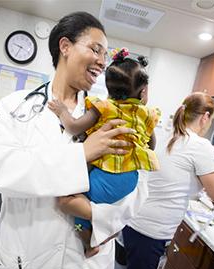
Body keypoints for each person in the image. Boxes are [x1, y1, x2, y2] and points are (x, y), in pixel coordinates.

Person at [0, 12, 148, 269]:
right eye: (95, 49)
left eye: (105, 54)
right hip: (25, 267)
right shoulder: (16, 106)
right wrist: (81, 154)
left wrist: (97, 216)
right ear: (65, 46)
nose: (101, 61)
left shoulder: (110, 114)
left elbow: (138, 189)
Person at [110, 92, 214, 269]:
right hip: (152, 233)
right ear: (205, 117)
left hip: (134, 223)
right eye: (211, 120)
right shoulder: (199, 145)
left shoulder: (166, 134)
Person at [48, 48, 160, 257]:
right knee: (101, 210)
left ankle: (89, 244)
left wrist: (62, 111)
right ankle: (109, 231)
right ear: (143, 92)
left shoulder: (104, 107)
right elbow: (150, 147)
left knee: (72, 205)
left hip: (104, 176)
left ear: (108, 86)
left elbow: (73, 127)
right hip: (128, 179)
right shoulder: (147, 114)